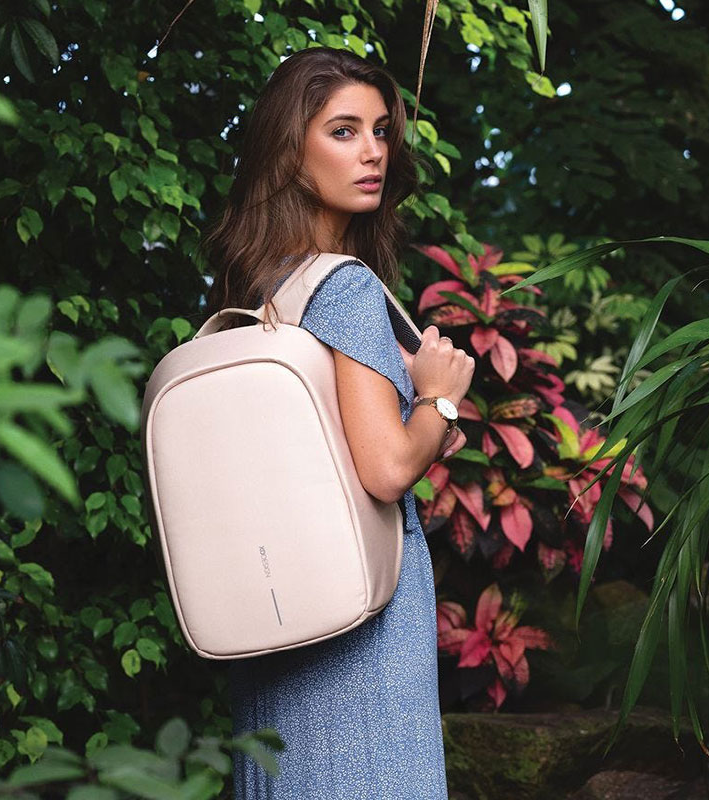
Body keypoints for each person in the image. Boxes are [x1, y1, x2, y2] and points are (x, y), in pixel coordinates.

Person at [201, 47, 475, 800]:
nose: (374, 152)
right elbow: (386, 469)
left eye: (381, 131)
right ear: (290, 151)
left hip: (272, 610)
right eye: (344, 131)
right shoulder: (346, 289)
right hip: (359, 628)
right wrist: (439, 398)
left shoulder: (255, 290)